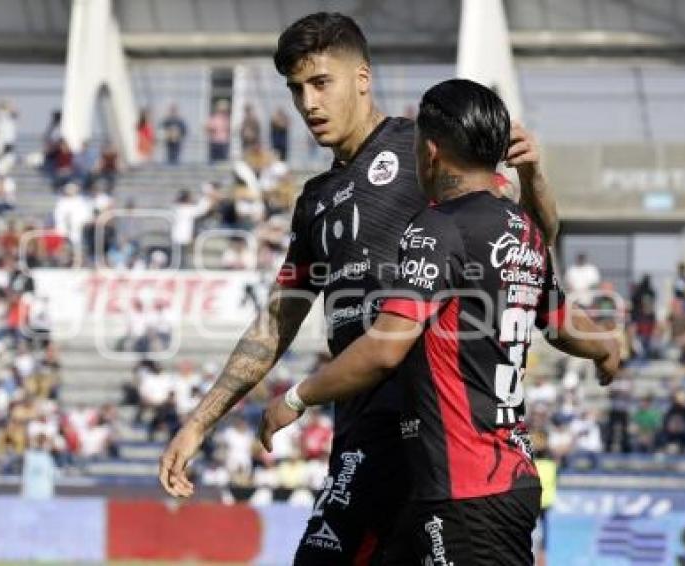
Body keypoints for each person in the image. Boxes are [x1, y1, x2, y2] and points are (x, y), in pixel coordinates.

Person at [160, 13, 559, 565]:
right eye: (297, 89)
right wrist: (199, 422)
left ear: (363, 78)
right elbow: (277, 321)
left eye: (321, 83)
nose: (308, 103)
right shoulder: (315, 199)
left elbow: (523, 236)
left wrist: (535, 178)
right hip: (361, 428)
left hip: (425, 429)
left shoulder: (428, 148)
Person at [258, 79, 620, 565]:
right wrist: (606, 347)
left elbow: (387, 346)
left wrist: (298, 397)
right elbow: (558, 321)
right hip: (507, 476)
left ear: (429, 152)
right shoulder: (523, 231)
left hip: (464, 486)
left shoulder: (438, 227)